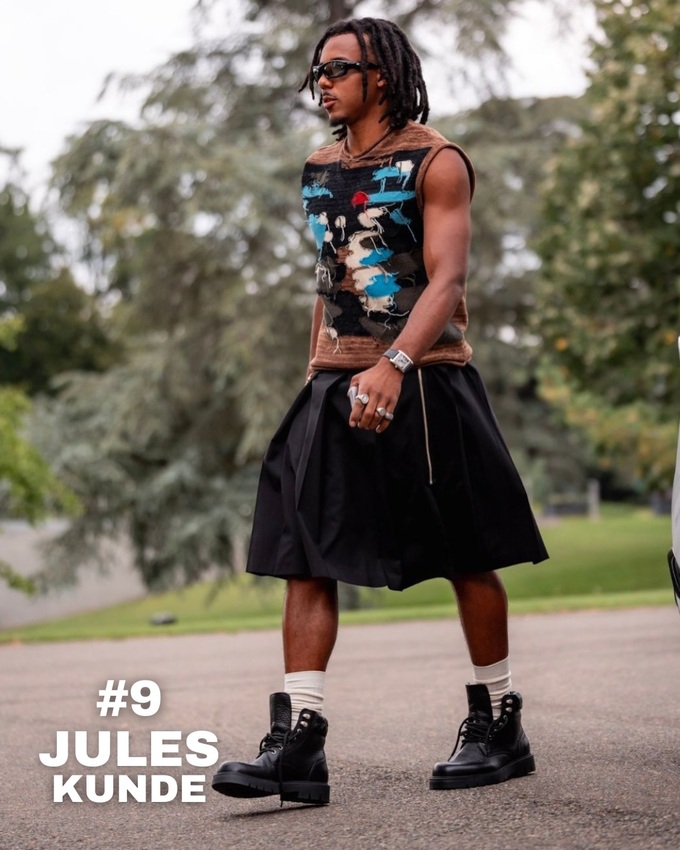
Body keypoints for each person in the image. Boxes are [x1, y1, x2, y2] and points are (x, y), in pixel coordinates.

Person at [212, 16, 548, 806]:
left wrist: (395, 363)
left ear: (382, 77)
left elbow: (447, 279)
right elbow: (329, 277)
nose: (322, 83)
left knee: (467, 552)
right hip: (335, 382)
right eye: (317, 72)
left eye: (336, 69)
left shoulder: (437, 161)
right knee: (302, 555)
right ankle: (299, 744)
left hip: (425, 381)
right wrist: (316, 375)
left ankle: (498, 721)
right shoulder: (319, 168)